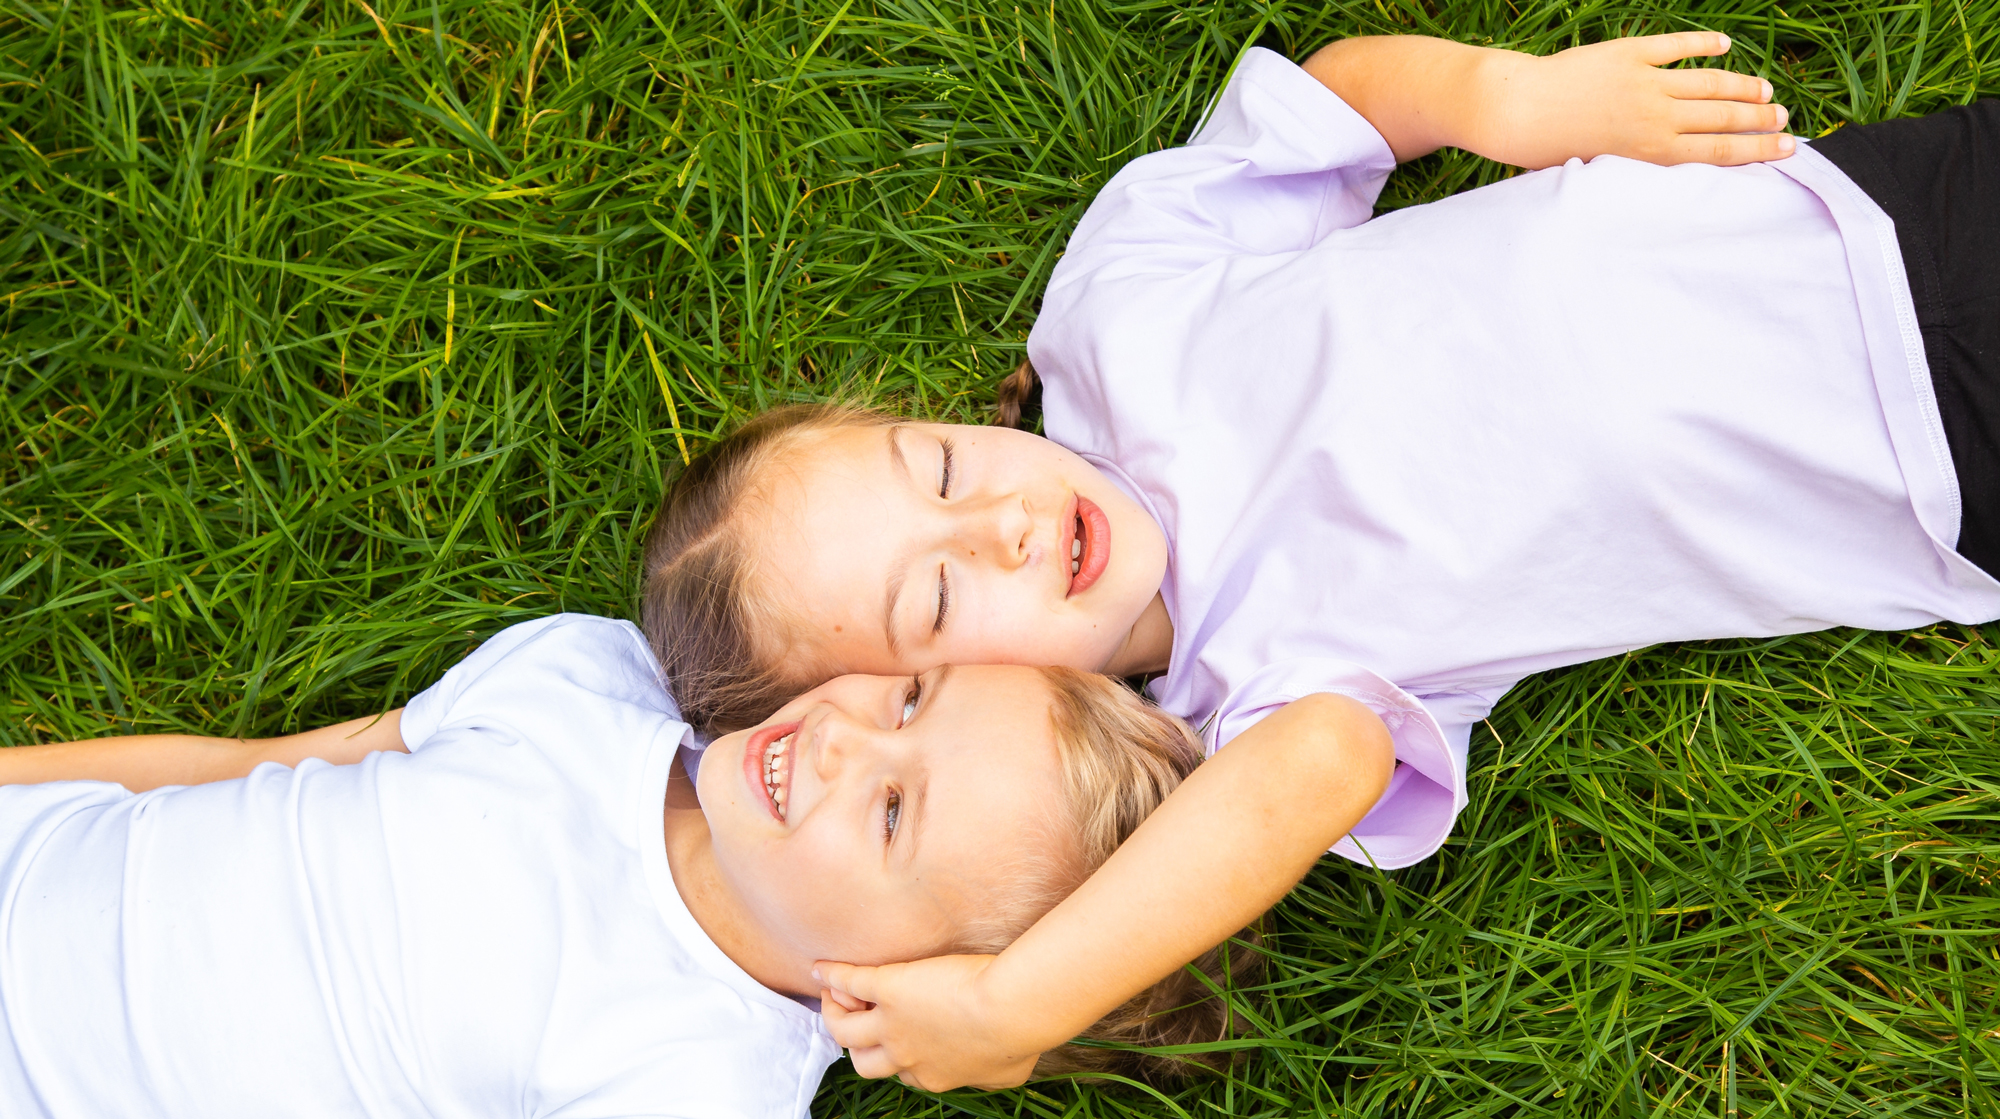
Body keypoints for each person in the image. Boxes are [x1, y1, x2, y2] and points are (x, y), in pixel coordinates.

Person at [636, 30, 2000, 1090]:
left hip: (1859, 214)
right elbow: (1317, 776)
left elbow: (1328, 112)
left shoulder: (1114, 317)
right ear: (944, 710)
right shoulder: (1246, 702)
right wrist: (1016, 1000)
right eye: (940, 600)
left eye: (935, 465)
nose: (994, 520)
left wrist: (1496, 101)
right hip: (1924, 458)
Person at [0, 613, 1254, 1116]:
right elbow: (271, 763)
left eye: (888, 815)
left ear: (911, 984)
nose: (841, 738)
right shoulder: (587, 680)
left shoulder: (697, 1078)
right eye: (912, 697)